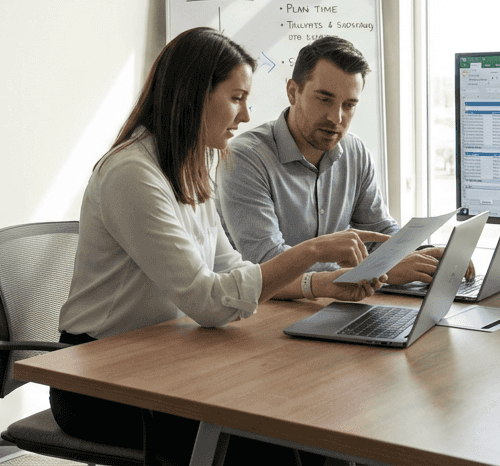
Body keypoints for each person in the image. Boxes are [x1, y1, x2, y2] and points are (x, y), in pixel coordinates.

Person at [53, 27, 389, 466]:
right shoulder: (132, 174)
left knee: (315, 420)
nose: (247, 115)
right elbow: (208, 301)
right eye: (236, 98)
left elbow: (231, 269)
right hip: (103, 382)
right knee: (271, 442)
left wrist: (319, 284)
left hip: (170, 356)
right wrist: (310, 252)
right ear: (193, 95)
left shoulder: (191, 162)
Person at [218, 35, 457, 291]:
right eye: (324, 99)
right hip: (263, 310)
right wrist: (374, 270)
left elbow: (378, 231)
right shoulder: (244, 158)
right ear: (292, 92)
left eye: (349, 105)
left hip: (335, 301)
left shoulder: (354, 151)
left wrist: (423, 254)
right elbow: (266, 260)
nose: (336, 117)